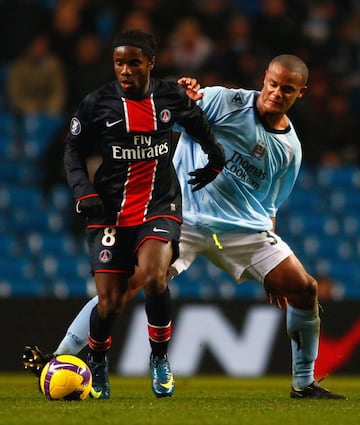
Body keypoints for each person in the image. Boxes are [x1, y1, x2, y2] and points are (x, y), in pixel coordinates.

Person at [24, 54, 345, 400]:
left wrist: (270, 263)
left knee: (304, 288)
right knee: (122, 286)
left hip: (244, 231)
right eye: (273, 83)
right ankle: (57, 359)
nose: (277, 93)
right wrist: (183, 90)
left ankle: (304, 384)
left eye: (287, 89)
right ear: (264, 78)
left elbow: (269, 205)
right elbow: (169, 109)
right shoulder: (226, 101)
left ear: (301, 93)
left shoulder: (290, 150)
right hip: (185, 218)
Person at [22, 28, 225, 400]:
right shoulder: (96, 104)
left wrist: (215, 157)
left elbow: (199, 126)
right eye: (119, 62)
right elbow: (72, 152)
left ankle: (160, 358)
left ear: (151, 62)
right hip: (110, 211)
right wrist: (83, 191)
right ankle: (97, 364)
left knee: (153, 276)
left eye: (134, 62)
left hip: (159, 204)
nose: (126, 70)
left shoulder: (170, 97)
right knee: (110, 303)